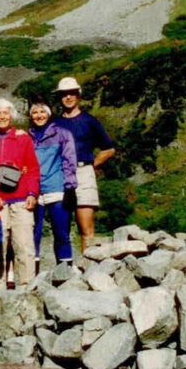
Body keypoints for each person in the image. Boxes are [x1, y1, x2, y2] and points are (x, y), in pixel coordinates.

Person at [0, 98, 40, 288]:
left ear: (12, 116)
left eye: (6, 113)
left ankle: (28, 287)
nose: (2, 116)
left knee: (25, 246)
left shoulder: (23, 139)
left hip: (21, 201)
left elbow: (33, 169)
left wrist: (32, 193)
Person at [53, 77, 115, 252]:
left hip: (83, 172)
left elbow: (108, 149)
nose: (68, 97)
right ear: (59, 97)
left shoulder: (89, 121)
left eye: (72, 93)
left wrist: (91, 165)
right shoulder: (55, 123)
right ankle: (65, 269)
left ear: (78, 95)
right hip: (60, 174)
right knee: (61, 229)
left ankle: (89, 267)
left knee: (86, 228)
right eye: (64, 94)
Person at [28, 96, 77, 271]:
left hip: (56, 189)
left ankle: (65, 273)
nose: (39, 115)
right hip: (34, 191)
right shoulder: (28, 136)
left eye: (42, 111)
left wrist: (70, 187)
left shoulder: (62, 134)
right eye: (35, 112)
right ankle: (32, 275)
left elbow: (69, 161)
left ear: (49, 113)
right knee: (33, 235)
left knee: (61, 233)